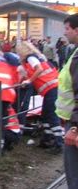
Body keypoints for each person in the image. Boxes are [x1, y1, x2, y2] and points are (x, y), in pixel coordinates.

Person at [16, 41, 63, 153]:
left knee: (51, 115)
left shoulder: (30, 58)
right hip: (52, 88)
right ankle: (47, 139)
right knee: (46, 114)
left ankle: (58, 142)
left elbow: (39, 69)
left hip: (51, 88)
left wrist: (29, 81)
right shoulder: (35, 57)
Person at [55, 13, 78, 188]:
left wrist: (75, 128)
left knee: (74, 173)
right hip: (71, 120)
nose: (65, 33)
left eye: (67, 29)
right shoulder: (74, 52)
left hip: (75, 123)